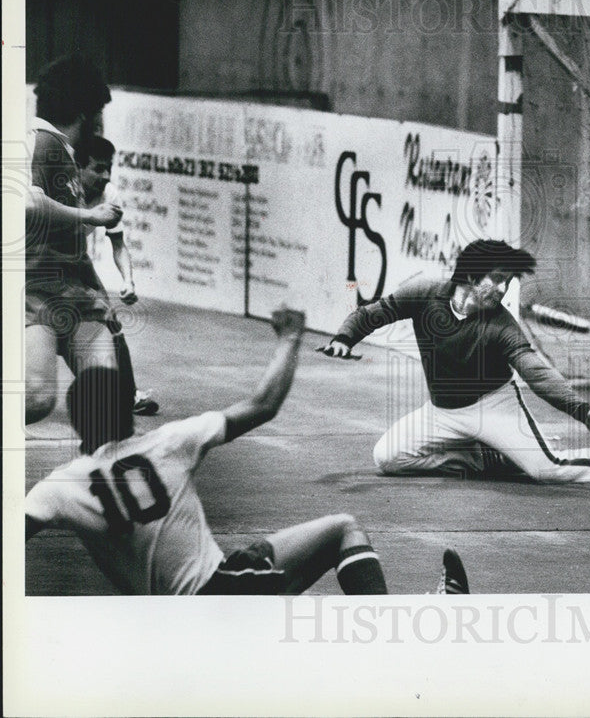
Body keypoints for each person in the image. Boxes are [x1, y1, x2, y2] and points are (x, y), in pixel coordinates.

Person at [25, 308, 470, 596]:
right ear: (129, 415)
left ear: (78, 426)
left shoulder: (61, 485)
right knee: (344, 528)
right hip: (219, 595)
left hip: (163, 623)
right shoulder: (168, 442)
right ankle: (398, 640)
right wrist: (289, 340)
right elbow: (262, 405)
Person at [318, 239, 590, 484]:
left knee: (547, 470)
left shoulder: (500, 324)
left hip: (495, 407)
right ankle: (485, 458)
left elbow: (536, 372)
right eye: (498, 279)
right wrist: (343, 338)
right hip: (442, 412)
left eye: (509, 281)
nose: (504, 289)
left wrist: (581, 411)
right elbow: (373, 312)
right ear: (473, 276)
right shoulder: (425, 292)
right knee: (388, 458)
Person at [25, 54, 125, 424]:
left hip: (77, 297)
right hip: (34, 294)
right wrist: (90, 215)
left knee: (105, 404)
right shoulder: (43, 144)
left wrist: (98, 290)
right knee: (36, 399)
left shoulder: (67, 155)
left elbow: (69, 244)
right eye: (100, 112)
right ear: (86, 113)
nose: (101, 123)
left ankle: (93, 479)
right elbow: (31, 203)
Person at [78, 134, 159, 415]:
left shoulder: (109, 194)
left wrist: (128, 280)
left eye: (108, 168)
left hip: (74, 261)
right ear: (77, 167)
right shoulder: (59, 189)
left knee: (111, 321)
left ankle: (130, 395)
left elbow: (118, 244)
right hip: (35, 262)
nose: (106, 175)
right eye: (97, 168)